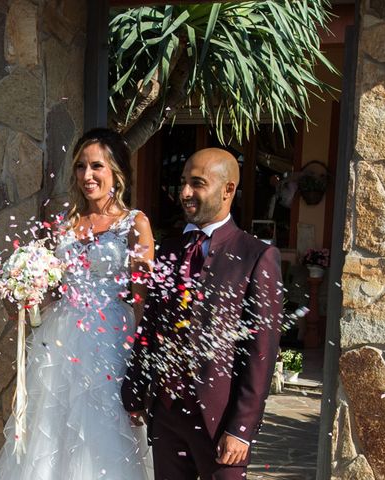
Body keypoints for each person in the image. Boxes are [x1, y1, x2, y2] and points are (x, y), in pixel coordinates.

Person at [0, 128, 155, 479]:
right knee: (50, 430)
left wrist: (142, 368)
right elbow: (56, 287)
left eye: (97, 166)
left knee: (101, 431)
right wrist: (25, 291)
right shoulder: (66, 223)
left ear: (116, 173)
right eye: (81, 166)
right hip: (60, 337)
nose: (87, 175)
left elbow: (143, 301)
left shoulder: (134, 223)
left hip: (109, 339)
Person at [122, 148, 283, 479]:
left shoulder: (256, 256)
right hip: (166, 415)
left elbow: (261, 352)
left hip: (220, 420)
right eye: (183, 183)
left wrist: (242, 428)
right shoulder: (169, 249)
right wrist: (135, 390)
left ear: (228, 190)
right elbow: (151, 323)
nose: (184, 193)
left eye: (197, 183)